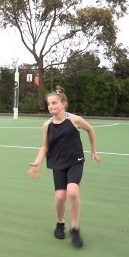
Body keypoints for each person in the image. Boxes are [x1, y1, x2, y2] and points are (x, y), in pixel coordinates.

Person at [28, 86, 102, 248]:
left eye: (54, 103)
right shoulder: (47, 125)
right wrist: (37, 162)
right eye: (49, 104)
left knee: (73, 192)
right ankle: (60, 224)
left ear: (63, 104)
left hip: (75, 160)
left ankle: (75, 228)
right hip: (58, 163)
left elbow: (90, 130)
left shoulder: (74, 120)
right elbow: (45, 147)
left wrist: (93, 151)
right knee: (60, 197)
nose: (51, 106)